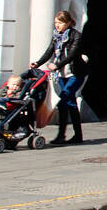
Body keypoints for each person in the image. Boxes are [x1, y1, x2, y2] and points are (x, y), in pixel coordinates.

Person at [32, 10, 88, 145]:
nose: (57, 25)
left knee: (64, 98)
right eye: (56, 22)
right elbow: (49, 50)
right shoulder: (56, 36)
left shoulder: (76, 36)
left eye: (60, 23)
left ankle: (62, 135)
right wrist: (38, 63)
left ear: (68, 23)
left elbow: (72, 55)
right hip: (62, 75)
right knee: (69, 102)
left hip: (75, 73)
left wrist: (56, 65)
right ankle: (74, 136)